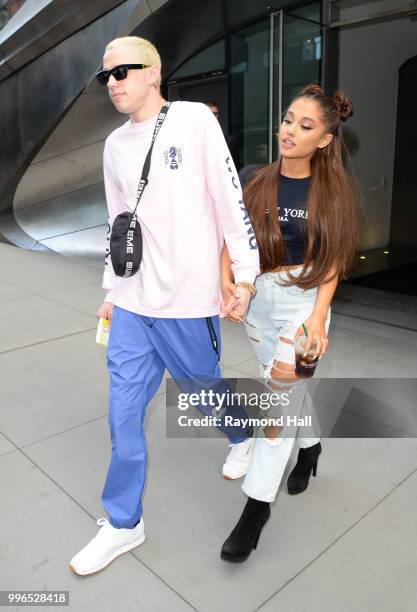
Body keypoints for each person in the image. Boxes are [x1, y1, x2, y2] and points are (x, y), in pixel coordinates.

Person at [69, 35, 259, 576]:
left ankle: (244, 434)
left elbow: (228, 199)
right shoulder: (112, 147)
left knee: (203, 388)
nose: (113, 82)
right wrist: (111, 293)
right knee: (123, 413)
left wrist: (243, 279)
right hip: (132, 302)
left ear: (154, 72)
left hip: (187, 300)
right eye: (105, 75)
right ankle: (123, 522)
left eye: (124, 71)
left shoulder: (194, 119)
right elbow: (116, 225)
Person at [219, 83, 358, 562]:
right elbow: (231, 239)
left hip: (305, 300)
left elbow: (334, 257)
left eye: (305, 125)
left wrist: (319, 318)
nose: (289, 131)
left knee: (276, 410)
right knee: (284, 391)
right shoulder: (255, 177)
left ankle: (255, 511)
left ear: (324, 139)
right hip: (259, 299)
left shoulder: (331, 190)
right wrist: (232, 286)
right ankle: (312, 448)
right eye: (287, 120)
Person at [205, 100, 242, 171]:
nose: (213, 116)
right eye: (209, 113)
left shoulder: (229, 140)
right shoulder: (192, 139)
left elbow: (235, 168)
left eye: (215, 114)